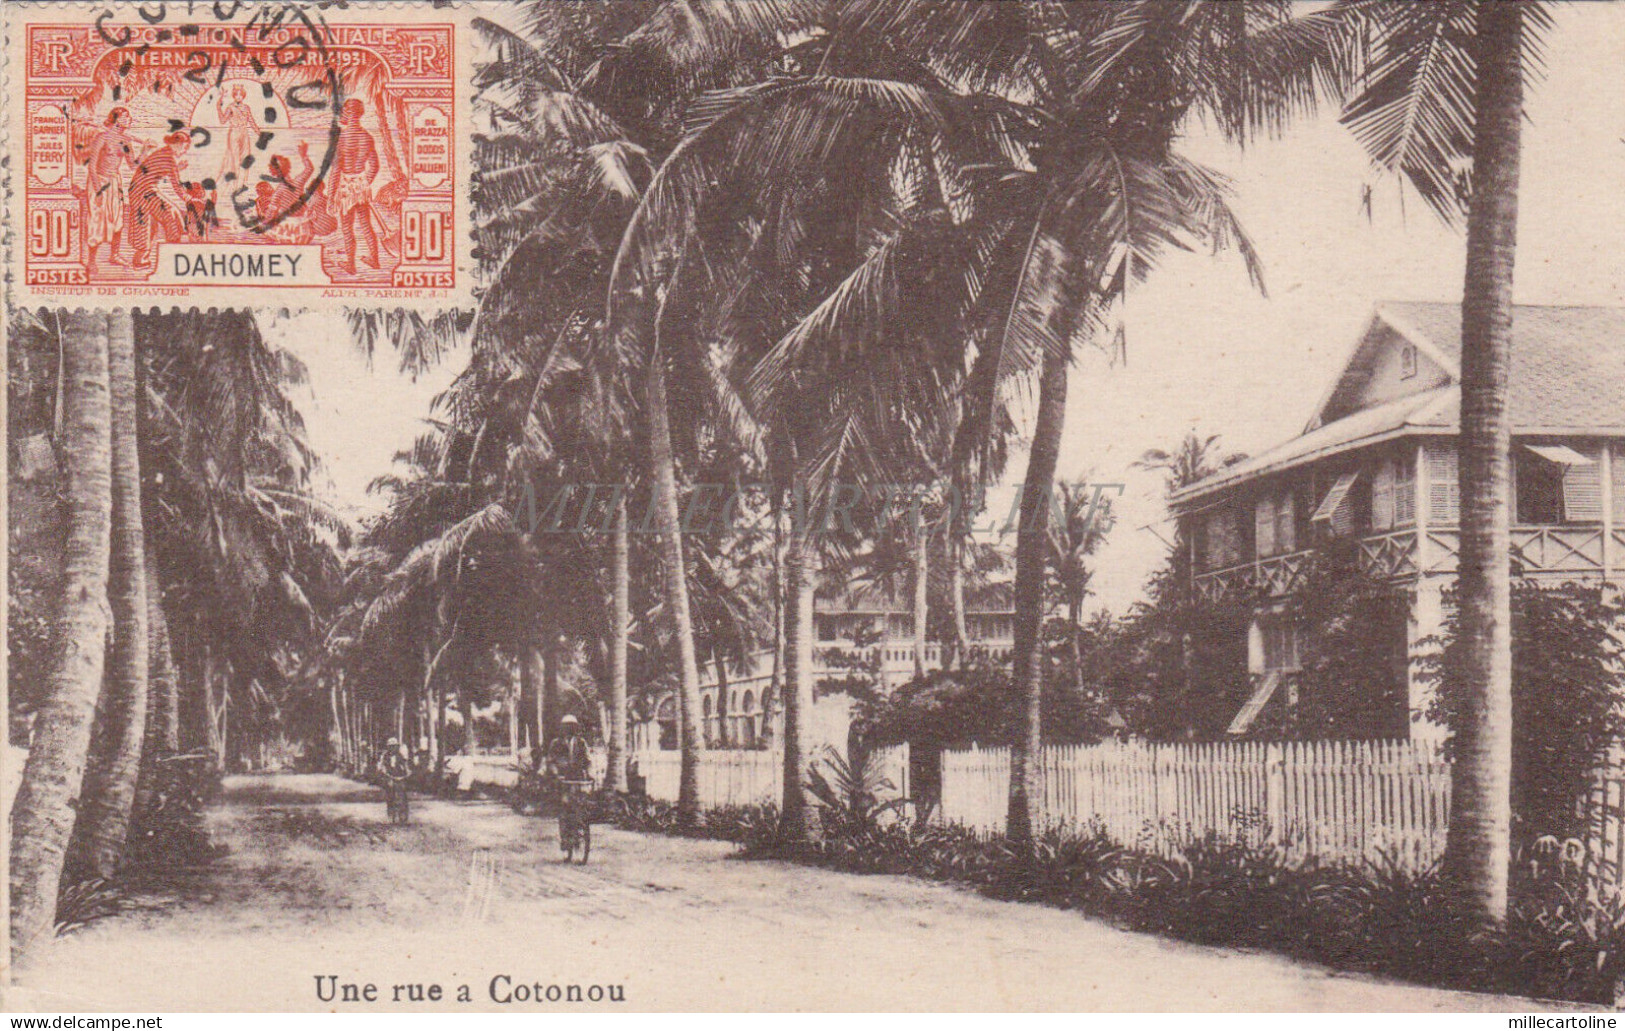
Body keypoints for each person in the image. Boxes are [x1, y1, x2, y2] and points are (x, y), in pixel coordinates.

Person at [79, 107, 137, 267]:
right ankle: (91, 261)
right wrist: (98, 191)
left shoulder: (126, 141)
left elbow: (133, 165)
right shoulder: (102, 138)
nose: (129, 119)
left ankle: (115, 255)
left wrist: (145, 151)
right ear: (117, 119)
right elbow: (91, 167)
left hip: (114, 182)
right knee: (96, 222)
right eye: (126, 116)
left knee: (118, 219)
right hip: (99, 182)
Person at [126, 131, 191, 267]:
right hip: (143, 191)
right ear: (177, 144)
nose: (185, 151)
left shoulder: (165, 154)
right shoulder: (168, 157)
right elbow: (176, 184)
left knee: (153, 223)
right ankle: (171, 253)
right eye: (184, 147)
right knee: (170, 214)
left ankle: (143, 258)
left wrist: (177, 169)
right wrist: (188, 198)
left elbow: (159, 170)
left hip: (142, 189)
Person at [331, 99, 382, 273]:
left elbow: (336, 170)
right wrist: (363, 183)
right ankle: (375, 260)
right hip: (361, 183)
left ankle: (351, 265)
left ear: (347, 113)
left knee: (347, 227)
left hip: (346, 185)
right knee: (366, 224)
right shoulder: (367, 137)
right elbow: (375, 167)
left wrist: (331, 196)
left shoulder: (342, 138)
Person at [547, 715, 592, 858]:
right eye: (567, 726)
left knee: (582, 804)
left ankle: (581, 828)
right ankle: (565, 838)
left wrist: (590, 774)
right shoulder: (556, 743)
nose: (570, 729)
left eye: (572, 726)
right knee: (564, 807)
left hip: (578, 778)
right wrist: (556, 774)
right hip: (563, 780)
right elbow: (551, 761)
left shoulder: (581, 742)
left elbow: (588, 760)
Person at [216, 83, 257, 184]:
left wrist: (260, 134)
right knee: (235, 159)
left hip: (244, 133)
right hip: (234, 133)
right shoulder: (230, 107)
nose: (238, 97)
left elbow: (251, 121)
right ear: (234, 96)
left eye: (240, 95)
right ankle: (235, 183)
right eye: (236, 95)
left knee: (246, 158)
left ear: (243, 96)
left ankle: (244, 183)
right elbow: (222, 120)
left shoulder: (246, 108)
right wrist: (218, 107)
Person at [377, 736, 411, 825]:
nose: (392, 748)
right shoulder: (385, 756)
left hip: (400, 777)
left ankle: (403, 815)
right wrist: (385, 773)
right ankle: (391, 815)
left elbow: (406, 766)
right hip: (389, 776)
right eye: (391, 746)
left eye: (394, 746)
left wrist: (407, 773)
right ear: (388, 747)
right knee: (390, 795)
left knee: (402, 795)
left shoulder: (401, 755)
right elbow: (382, 767)